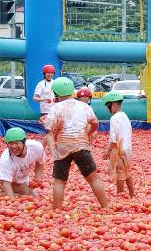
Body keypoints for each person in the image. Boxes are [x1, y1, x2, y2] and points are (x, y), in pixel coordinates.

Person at [43, 77, 110, 210]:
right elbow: (95, 123)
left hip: (63, 146)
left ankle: (56, 210)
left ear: (56, 94)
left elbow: (49, 131)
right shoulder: (84, 106)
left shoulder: (56, 108)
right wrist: (88, 134)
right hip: (81, 145)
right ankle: (106, 207)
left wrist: (52, 150)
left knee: (59, 182)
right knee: (93, 179)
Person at [102, 91, 134, 197]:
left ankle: (120, 195)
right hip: (128, 148)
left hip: (119, 150)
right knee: (126, 171)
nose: (107, 109)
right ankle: (132, 193)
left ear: (114, 104)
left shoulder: (114, 118)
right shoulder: (125, 116)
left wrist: (108, 151)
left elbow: (113, 139)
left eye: (107, 106)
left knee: (120, 173)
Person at [0, 127, 45, 198]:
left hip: (24, 180)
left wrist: (37, 179)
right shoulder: (6, 159)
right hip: (9, 182)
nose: (14, 147)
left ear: (24, 142)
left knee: (33, 195)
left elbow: (40, 163)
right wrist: (12, 201)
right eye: (10, 143)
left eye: (16, 143)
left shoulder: (36, 147)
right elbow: (6, 183)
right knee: (32, 195)